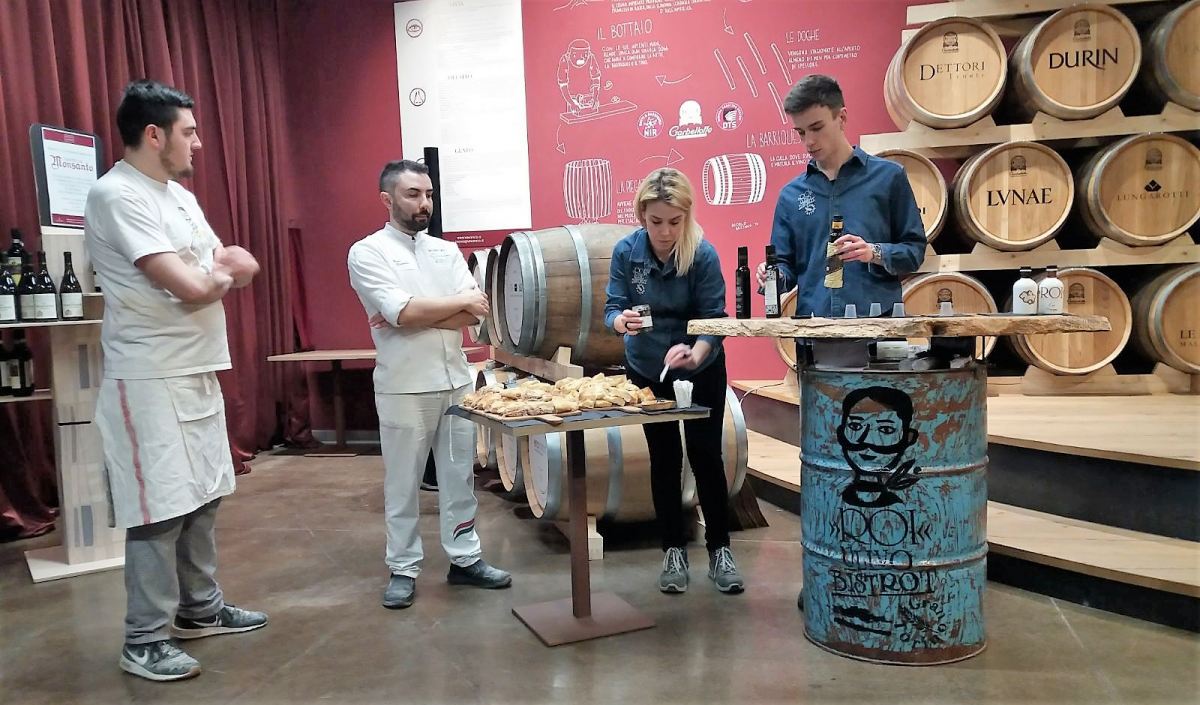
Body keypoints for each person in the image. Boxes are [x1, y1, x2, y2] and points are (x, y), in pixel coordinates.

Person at [85, 79, 266, 683]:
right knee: (159, 509)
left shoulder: (179, 198)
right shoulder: (116, 194)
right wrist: (217, 273)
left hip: (194, 367)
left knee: (204, 495)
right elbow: (193, 283)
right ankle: (144, 639)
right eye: (188, 132)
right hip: (147, 375)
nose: (198, 142)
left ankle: (200, 609)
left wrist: (219, 272)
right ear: (154, 135)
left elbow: (233, 265)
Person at [347, 160, 511, 610]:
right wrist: (426, 310)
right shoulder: (367, 252)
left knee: (459, 478)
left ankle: (466, 559)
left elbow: (471, 313)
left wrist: (416, 313)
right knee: (402, 484)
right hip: (403, 386)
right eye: (413, 194)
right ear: (387, 199)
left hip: (456, 381)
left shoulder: (446, 251)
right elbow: (401, 312)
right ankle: (403, 568)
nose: (424, 204)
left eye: (429, 195)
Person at [605, 167, 745, 595]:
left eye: (674, 221)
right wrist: (621, 322)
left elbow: (715, 319)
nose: (665, 232)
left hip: (700, 366)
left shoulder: (702, 254)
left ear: (687, 216)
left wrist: (696, 353)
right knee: (664, 459)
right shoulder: (625, 252)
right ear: (641, 216)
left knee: (706, 456)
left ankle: (720, 550)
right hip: (649, 369)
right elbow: (612, 308)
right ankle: (672, 551)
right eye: (656, 222)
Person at [757, 74, 926, 319]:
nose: (809, 141)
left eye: (817, 128)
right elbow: (785, 266)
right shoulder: (790, 195)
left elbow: (914, 252)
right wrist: (773, 275)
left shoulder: (889, 178)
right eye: (801, 132)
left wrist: (874, 252)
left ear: (842, 118)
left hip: (878, 328)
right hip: (815, 330)